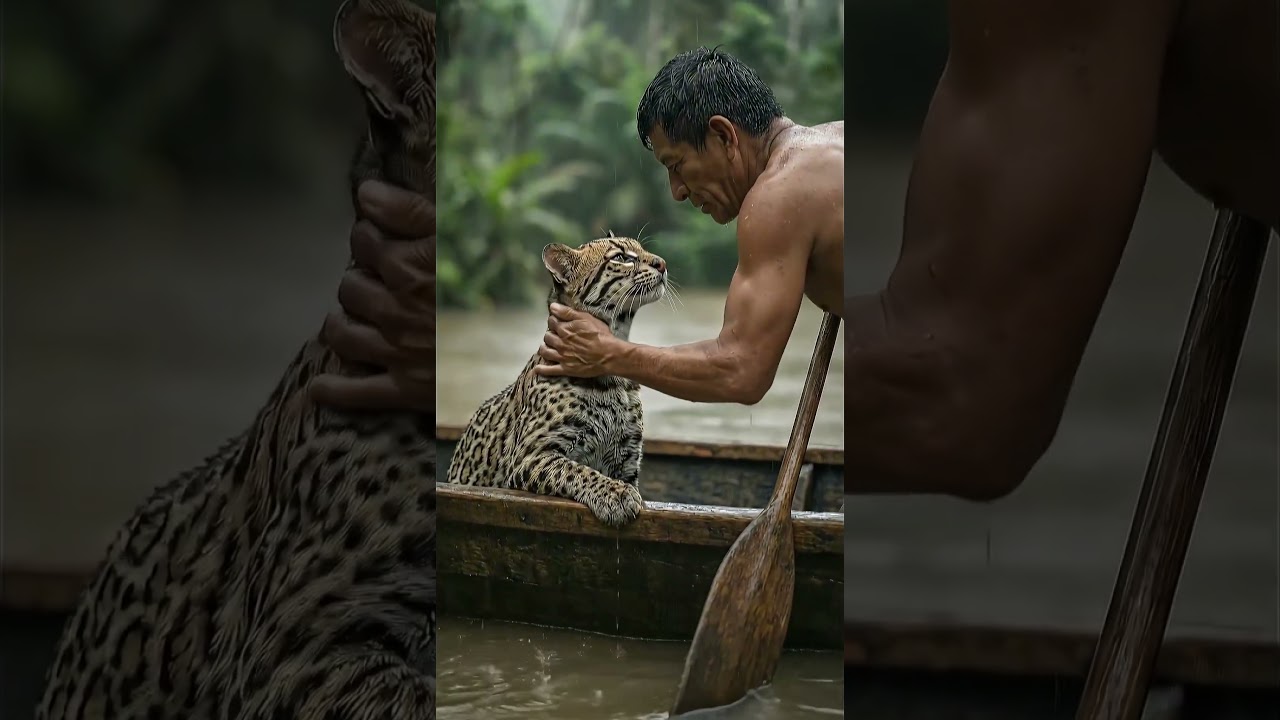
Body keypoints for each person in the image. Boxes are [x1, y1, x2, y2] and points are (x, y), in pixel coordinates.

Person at [312, 0, 1277, 502]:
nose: (679, 198)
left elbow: (959, 403)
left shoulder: (775, 201)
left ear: (728, 137)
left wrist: (613, 357)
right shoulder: (828, 146)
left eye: (681, 170)